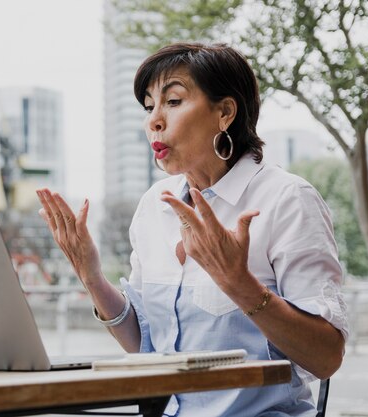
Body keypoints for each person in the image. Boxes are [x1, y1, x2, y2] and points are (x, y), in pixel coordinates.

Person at [36, 42, 347, 416]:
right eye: (149, 106)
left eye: (173, 101)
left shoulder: (287, 199)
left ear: (225, 112)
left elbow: (326, 358)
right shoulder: (155, 204)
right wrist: (92, 278)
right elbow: (146, 348)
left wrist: (238, 283)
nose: (153, 120)